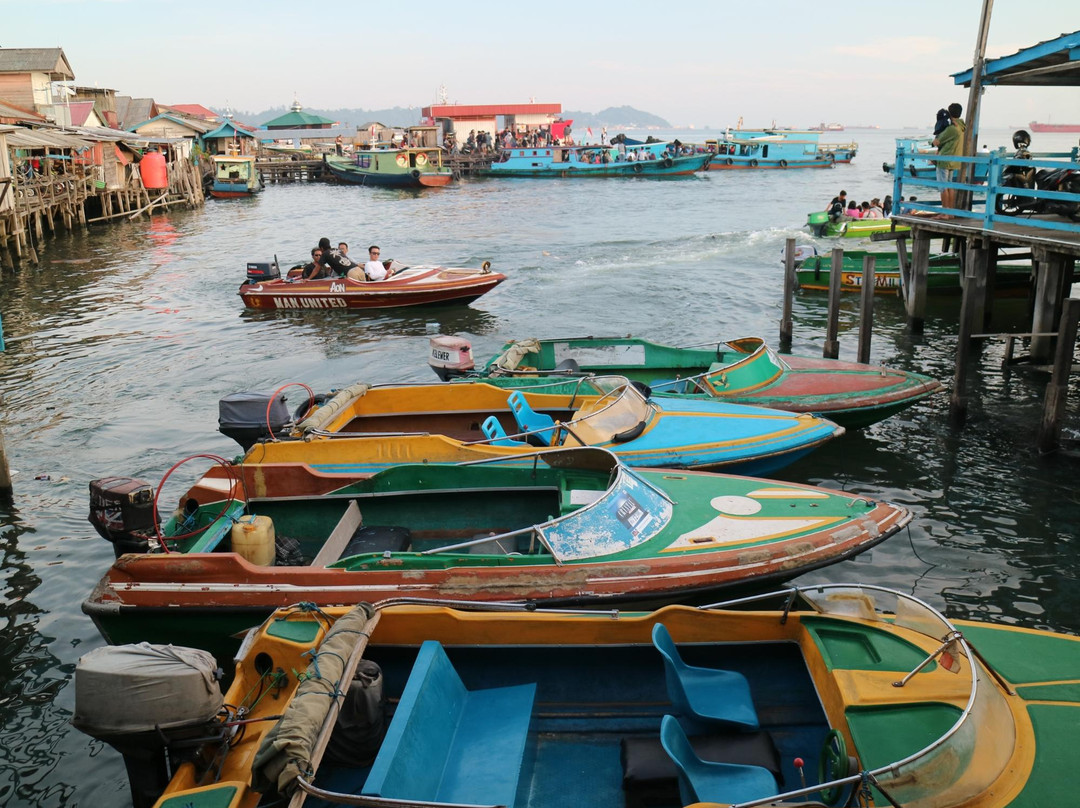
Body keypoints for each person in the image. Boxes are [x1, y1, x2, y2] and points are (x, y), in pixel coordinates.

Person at [932, 102, 965, 215]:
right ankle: (950, 213)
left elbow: (936, 142)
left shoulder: (951, 129)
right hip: (954, 161)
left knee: (943, 187)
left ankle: (944, 213)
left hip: (945, 160)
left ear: (950, 114)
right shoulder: (961, 126)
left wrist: (932, 141)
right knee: (950, 186)